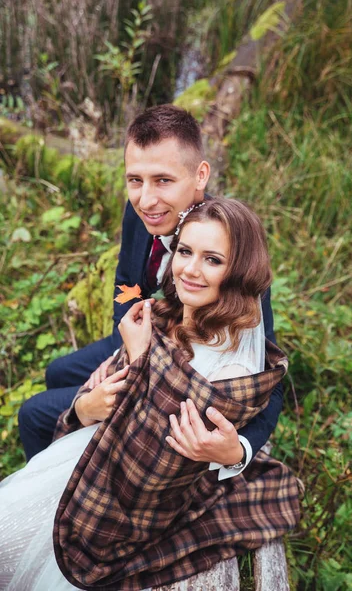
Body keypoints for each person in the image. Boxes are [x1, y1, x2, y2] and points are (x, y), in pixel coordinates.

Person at [0, 198, 300, 591]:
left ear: (238, 271)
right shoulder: (169, 314)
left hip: (128, 494)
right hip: (91, 453)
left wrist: (141, 356)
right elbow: (109, 374)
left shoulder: (230, 371)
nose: (190, 269)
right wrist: (87, 406)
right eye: (185, 252)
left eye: (212, 260)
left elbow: (153, 459)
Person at [18, 104, 283, 483]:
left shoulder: (231, 246)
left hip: (180, 377)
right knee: (56, 371)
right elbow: (127, 281)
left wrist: (240, 449)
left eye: (163, 180)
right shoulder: (140, 212)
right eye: (135, 180)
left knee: (34, 413)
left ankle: (64, 478)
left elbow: (271, 377)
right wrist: (121, 350)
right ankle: (71, 456)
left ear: (200, 176)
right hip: (141, 337)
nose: (146, 200)